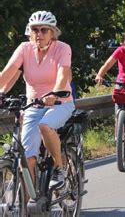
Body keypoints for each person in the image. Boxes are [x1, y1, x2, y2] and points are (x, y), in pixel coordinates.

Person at [0, 11, 74, 191]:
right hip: (33, 105)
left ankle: (59, 168)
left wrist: (55, 93)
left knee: (46, 126)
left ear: (52, 33)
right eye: (35, 30)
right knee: (27, 157)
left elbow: (63, 74)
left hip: (60, 103)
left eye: (44, 30)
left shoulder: (62, 48)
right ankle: (31, 200)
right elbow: (7, 73)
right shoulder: (24, 48)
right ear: (30, 31)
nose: (39, 34)